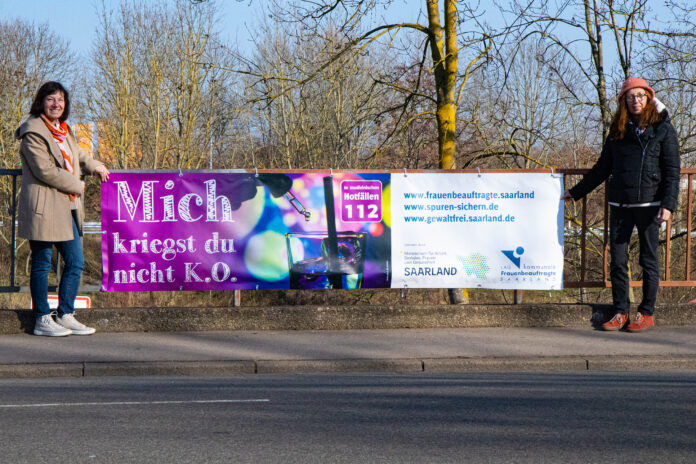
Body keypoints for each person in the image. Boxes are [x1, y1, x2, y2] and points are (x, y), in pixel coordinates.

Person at [562, 77, 680, 332]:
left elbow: (672, 171)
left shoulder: (663, 129)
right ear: (624, 101)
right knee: (617, 260)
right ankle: (620, 311)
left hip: (651, 204)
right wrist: (575, 192)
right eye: (630, 96)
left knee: (648, 260)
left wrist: (668, 205)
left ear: (648, 98)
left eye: (640, 96)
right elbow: (602, 168)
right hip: (620, 204)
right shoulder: (617, 129)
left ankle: (646, 313)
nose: (635, 100)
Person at [16, 81, 110, 336]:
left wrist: (95, 166)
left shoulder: (62, 130)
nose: (56, 104)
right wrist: (78, 185)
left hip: (67, 206)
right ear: (41, 102)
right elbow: (44, 170)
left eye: (60, 99)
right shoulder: (33, 131)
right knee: (42, 264)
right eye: (51, 99)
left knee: (76, 261)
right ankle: (42, 319)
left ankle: (65, 313)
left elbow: (78, 154)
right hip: (45, 206)